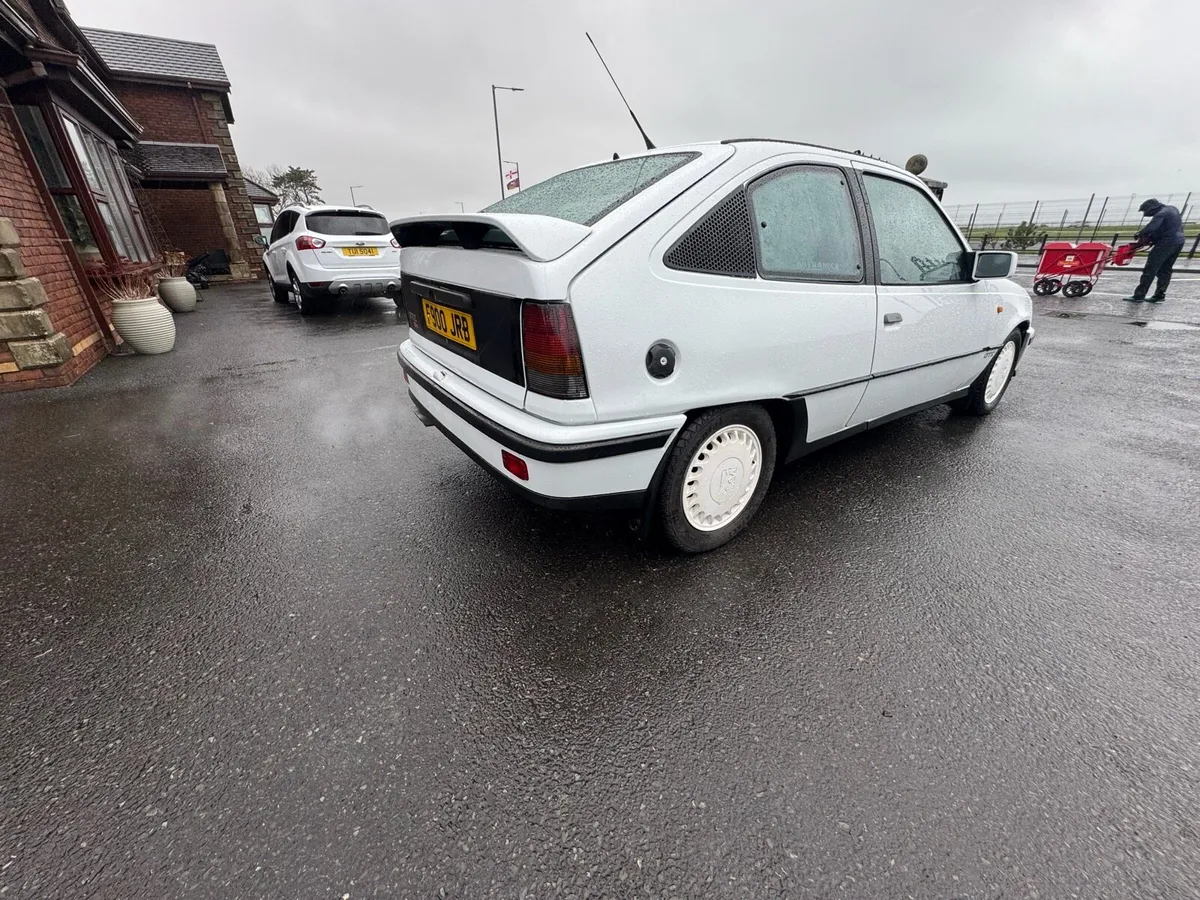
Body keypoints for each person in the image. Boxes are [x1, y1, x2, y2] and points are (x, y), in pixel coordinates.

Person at [1125, 198, 1186, 303]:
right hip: (1179, 241)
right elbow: (1165, 228)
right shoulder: (1173, 209)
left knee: (1150, 268)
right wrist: (1153, 238)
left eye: (1145, 211)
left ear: (1151, 208)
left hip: (1166, 243)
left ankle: (1139, 295)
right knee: (1165, 269)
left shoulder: (1160, 214)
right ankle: (1159, 295)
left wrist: (1139, 233)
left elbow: (1152, 227)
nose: (1145, 214)